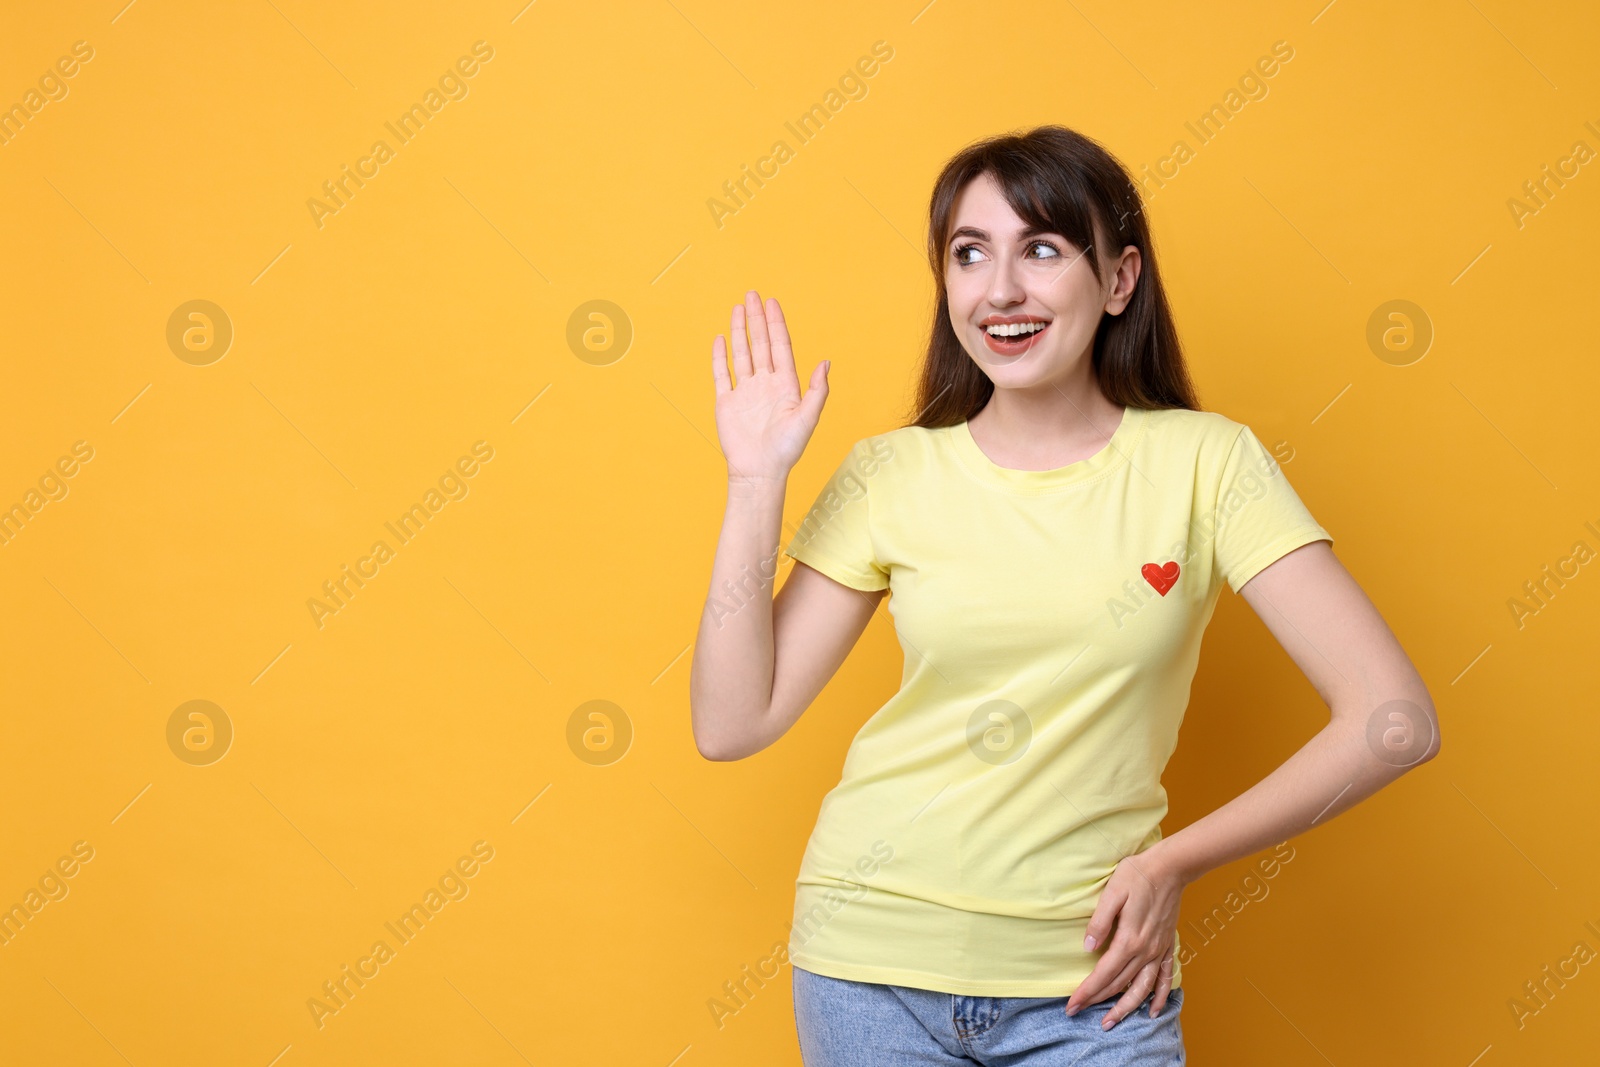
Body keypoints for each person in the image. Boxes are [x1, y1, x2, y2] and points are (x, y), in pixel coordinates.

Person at [688, 124, 1440, 1066]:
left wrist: (1173, 861)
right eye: (971, 254)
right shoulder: (891, 473)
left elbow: (1395, 719)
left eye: (1041, 248)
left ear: (1121, 280)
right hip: (868, 969)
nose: (1001, 289)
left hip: (1093, 986)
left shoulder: (1207, 465)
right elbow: (730, 723)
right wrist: (756, 482)